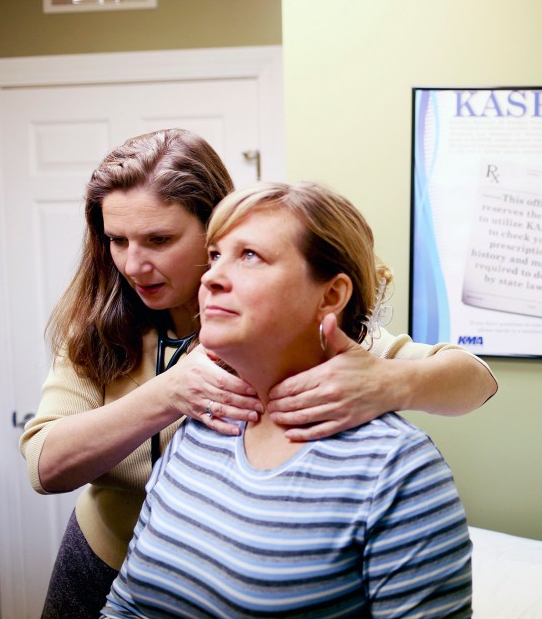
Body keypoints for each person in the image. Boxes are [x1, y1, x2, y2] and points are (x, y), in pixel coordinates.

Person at [19, 129, 494, 618]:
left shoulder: (310, 336)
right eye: (117, 241)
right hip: (114, 555)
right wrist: (167, 393)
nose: (134, 265)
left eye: (160, 240)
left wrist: (390, 382)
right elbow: (46, 466)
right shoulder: (102, 329)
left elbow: (475, 378)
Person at [102, 181, 472, 618]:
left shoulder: (398, 470)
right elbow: (127, 605)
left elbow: (473, 376)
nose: (210, 277)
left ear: (330, 296)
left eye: (250, 256)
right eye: (215, 255)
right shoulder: (201, 426)